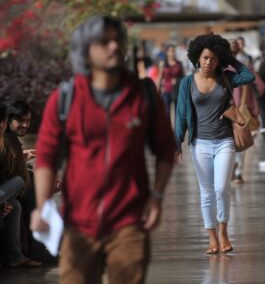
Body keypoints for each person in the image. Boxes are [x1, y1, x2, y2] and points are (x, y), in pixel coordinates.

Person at [31, 15, 176, 284]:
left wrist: (156, 197)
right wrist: (41, 205)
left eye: (117, 40)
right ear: (86, 49)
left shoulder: (142, 94)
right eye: (104, 41)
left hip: (129, 222)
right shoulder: (65, 98)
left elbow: (166, 150)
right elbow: (46, 156)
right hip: (78, 224)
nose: (114, 47)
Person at [175, 34, 255, 254]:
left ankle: (224, 233)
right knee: (206, 192)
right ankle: (211, 238)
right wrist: (177, 143)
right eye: (206, 58)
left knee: (222, 188)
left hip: (224, 141)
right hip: (199, 144)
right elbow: (181, 115)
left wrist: (229, 58)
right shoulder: (187, 83)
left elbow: (247, 76)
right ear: (197, 59)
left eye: (214, 58)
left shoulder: (226, 78)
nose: (209, 62)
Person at [0, 103, 40, 268]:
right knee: (21, 182)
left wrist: (20, 158)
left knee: (14, 205)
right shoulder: (8, 139)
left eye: (28, 120)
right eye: (20, 120)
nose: (25, 125)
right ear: (7, 121)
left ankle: (15, 256)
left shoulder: (6, 140)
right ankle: (36, 247)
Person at [229, 39, 265, 184]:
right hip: (241, 109)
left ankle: (231, 171)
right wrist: (251, 101)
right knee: (240, 141)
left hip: (226, 108)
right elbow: (261, 85)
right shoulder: (245, 64)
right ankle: (237, 173)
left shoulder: (220, 65)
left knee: (228, 142)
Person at [158, 44, 184, 119]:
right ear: (167, 52)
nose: (172, 53)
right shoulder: (163, 64)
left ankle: (177, 130)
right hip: (166, 90)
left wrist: (177, 80)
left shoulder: (179, 64)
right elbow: (160, 78)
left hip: (177, 90)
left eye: (173, 51)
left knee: (177, 112)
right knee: (166, 112)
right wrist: (158, 90)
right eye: (170, 51)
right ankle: (168, 129)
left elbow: (183, 77)